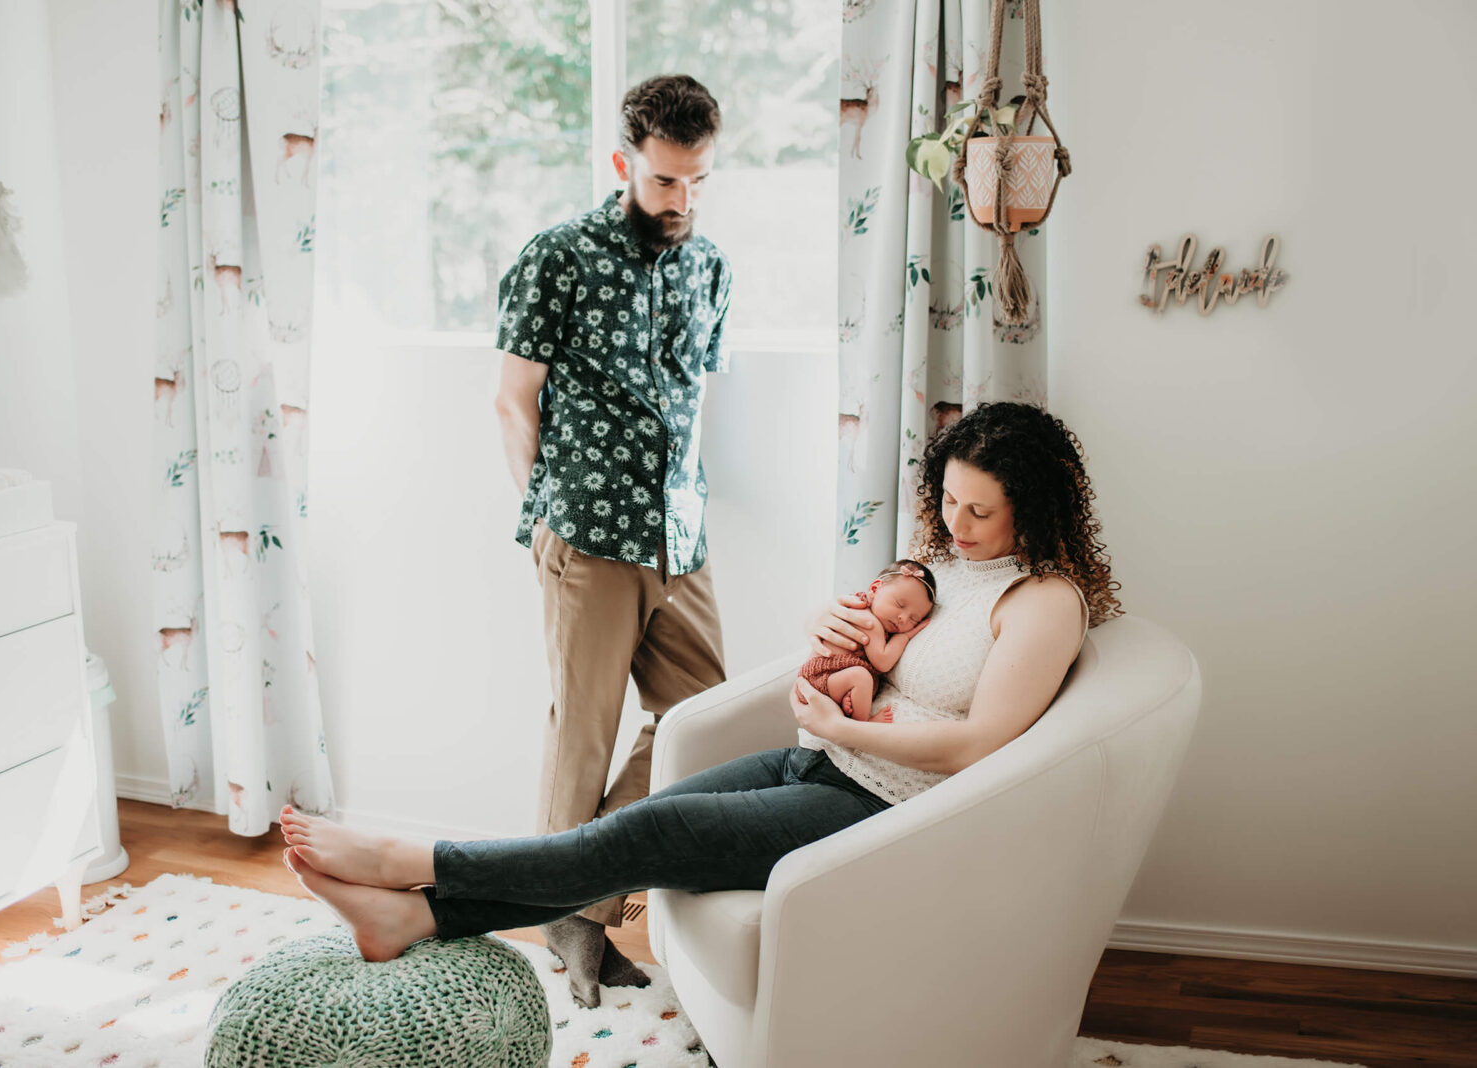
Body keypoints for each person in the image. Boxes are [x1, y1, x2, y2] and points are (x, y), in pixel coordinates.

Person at [280, 402, 1123, 965]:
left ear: (1035, 509)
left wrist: (848, 732)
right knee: (645, 823)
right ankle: (418, 917)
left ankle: (406, 860)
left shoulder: (1044, 603)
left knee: (631, 842)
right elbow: (892, 643)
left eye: (981, 512)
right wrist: (833, 631)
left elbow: (980, 745)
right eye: (947, 501)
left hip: (882, 812)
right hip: (820, 768)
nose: (956, 525)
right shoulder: (949, 566)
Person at [489, 74, 733, 1007]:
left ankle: (575, 898)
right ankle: (572, 912)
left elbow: (696, 395)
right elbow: (514, 401)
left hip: (682, 534)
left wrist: (688, 506)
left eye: (700, 180)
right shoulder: (557, 257)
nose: (684, 200)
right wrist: (546, 516)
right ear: (625, 161)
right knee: (581, 738)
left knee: (703, 725)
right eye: (669, 180)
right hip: (587, 533)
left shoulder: (708, 264)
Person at [796, 559, 935, 723]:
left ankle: (845, 701)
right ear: (875, 589)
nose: (903, 618)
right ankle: (863, 723)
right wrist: (904, 637)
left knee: (858, 678)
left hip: (830, 681)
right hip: (818, 681)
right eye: (899, 604)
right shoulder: (869, 622)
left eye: (914, 619)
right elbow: (883, 662)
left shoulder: (871, 613)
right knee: (861, 677)